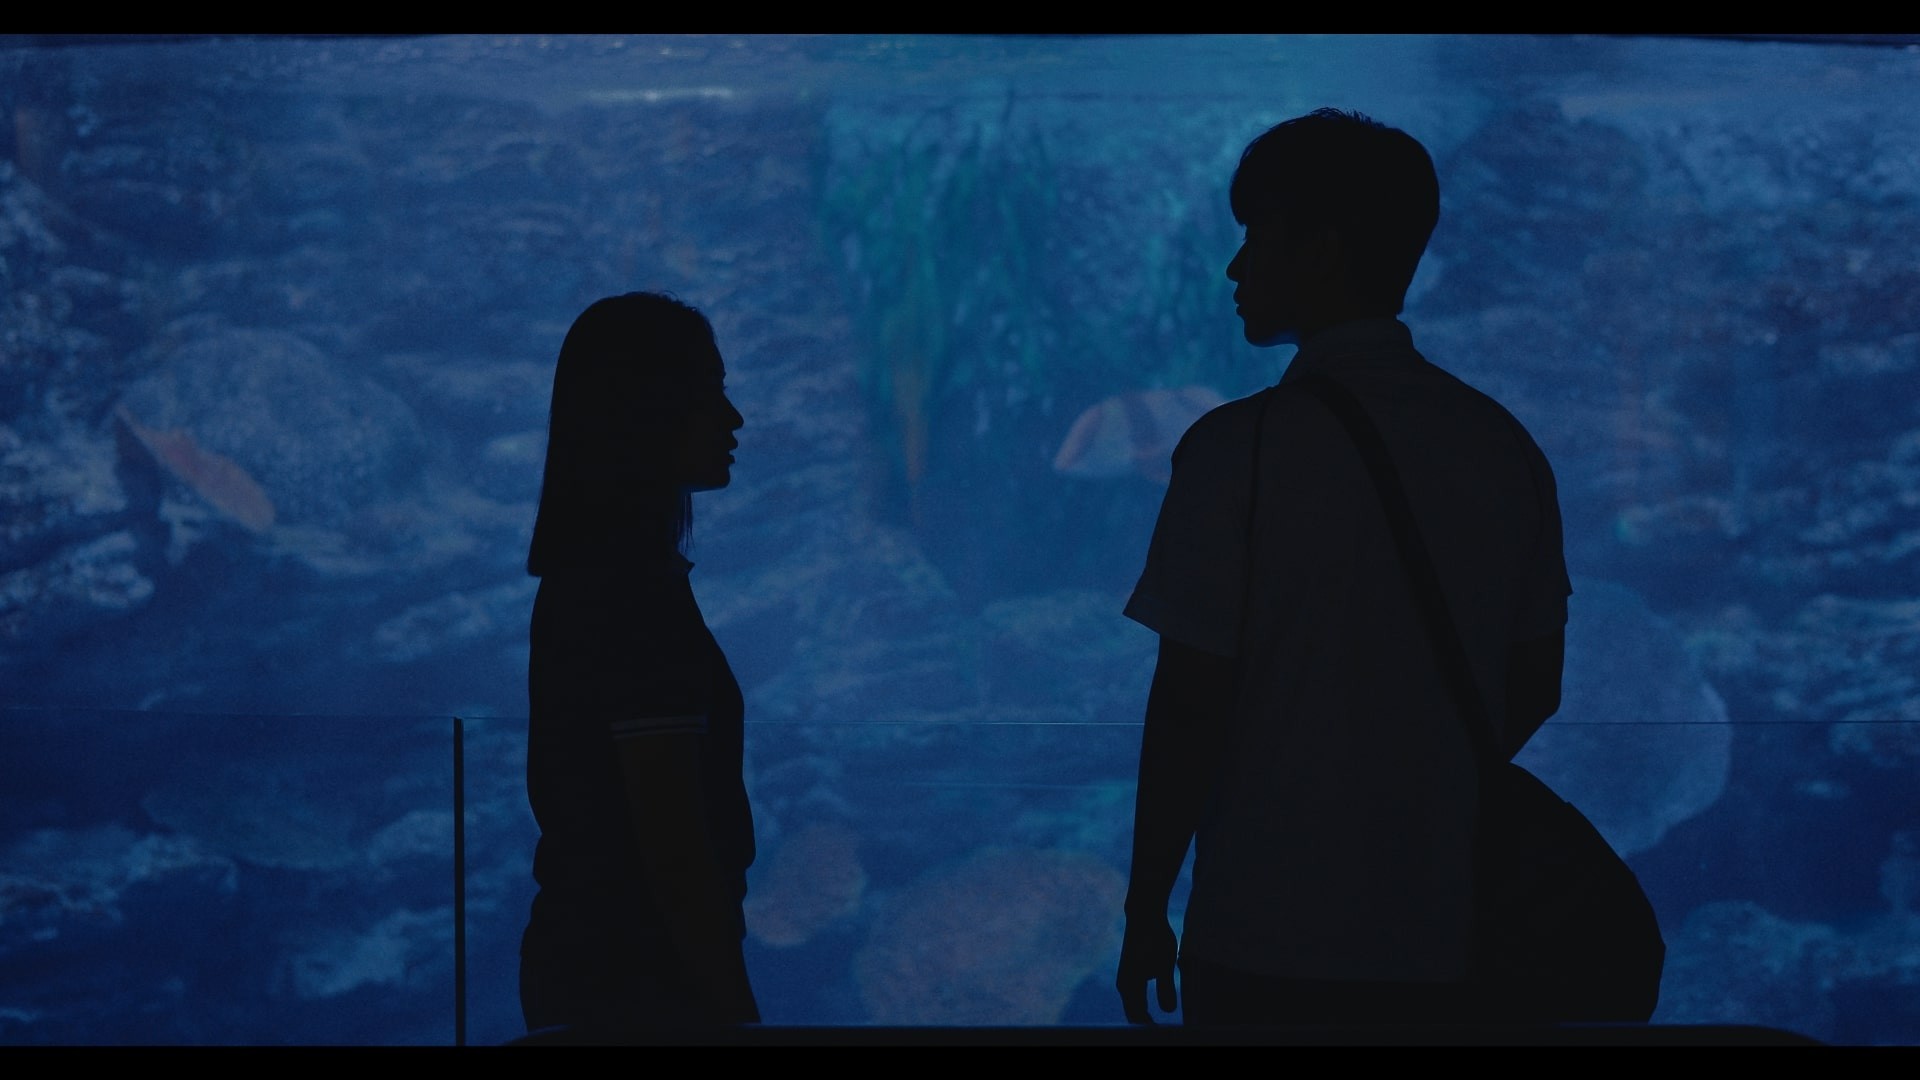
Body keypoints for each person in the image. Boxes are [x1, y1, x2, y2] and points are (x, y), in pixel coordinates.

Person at [1115, 109, 1572, 1027]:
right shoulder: (1504, 446)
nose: (1235, 268)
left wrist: (1145, 906)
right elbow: (1535, 682)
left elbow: (1188, 707)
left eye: (1256, 237)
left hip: (1263, 929)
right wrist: (1414, 780)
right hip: (1449, 932)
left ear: (1321, 249)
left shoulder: (1236, 450)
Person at [518, 291, 759, 1036]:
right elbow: (673, 843)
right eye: (709, 393)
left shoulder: (594, 575)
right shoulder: (632, 592)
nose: (733, 420)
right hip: (638, 990)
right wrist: (735, 1012)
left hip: (593, 979)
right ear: (646, 408)